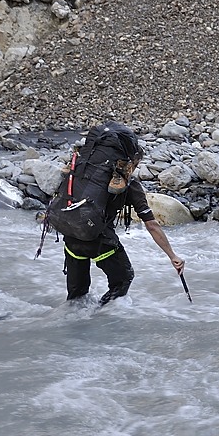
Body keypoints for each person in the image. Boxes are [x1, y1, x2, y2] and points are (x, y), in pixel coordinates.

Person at [61, 124, 185, 304]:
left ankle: (73, 325)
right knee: (123, 279)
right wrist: (173, 256)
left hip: (71, 238)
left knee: (77, 296)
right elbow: (151, 225)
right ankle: (102, 317)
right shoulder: (130, 186)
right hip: (100, 241)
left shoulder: (80, 172)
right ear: (130, 163)